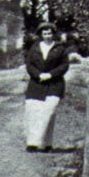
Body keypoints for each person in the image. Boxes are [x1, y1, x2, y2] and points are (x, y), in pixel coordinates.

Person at [24, 21, 70, 152]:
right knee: (33, 112)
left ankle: (45, 143)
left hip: (54, 84)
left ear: (53, 34)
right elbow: (29, 65)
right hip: (36, 84)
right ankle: (33, 143)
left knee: (49, 112)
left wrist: (50, 75)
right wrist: (38, 75)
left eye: (49, 32)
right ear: (40, 34)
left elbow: (64, 66)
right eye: (44, 33)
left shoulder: (60, 49)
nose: (47, 35)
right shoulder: (35, 48)